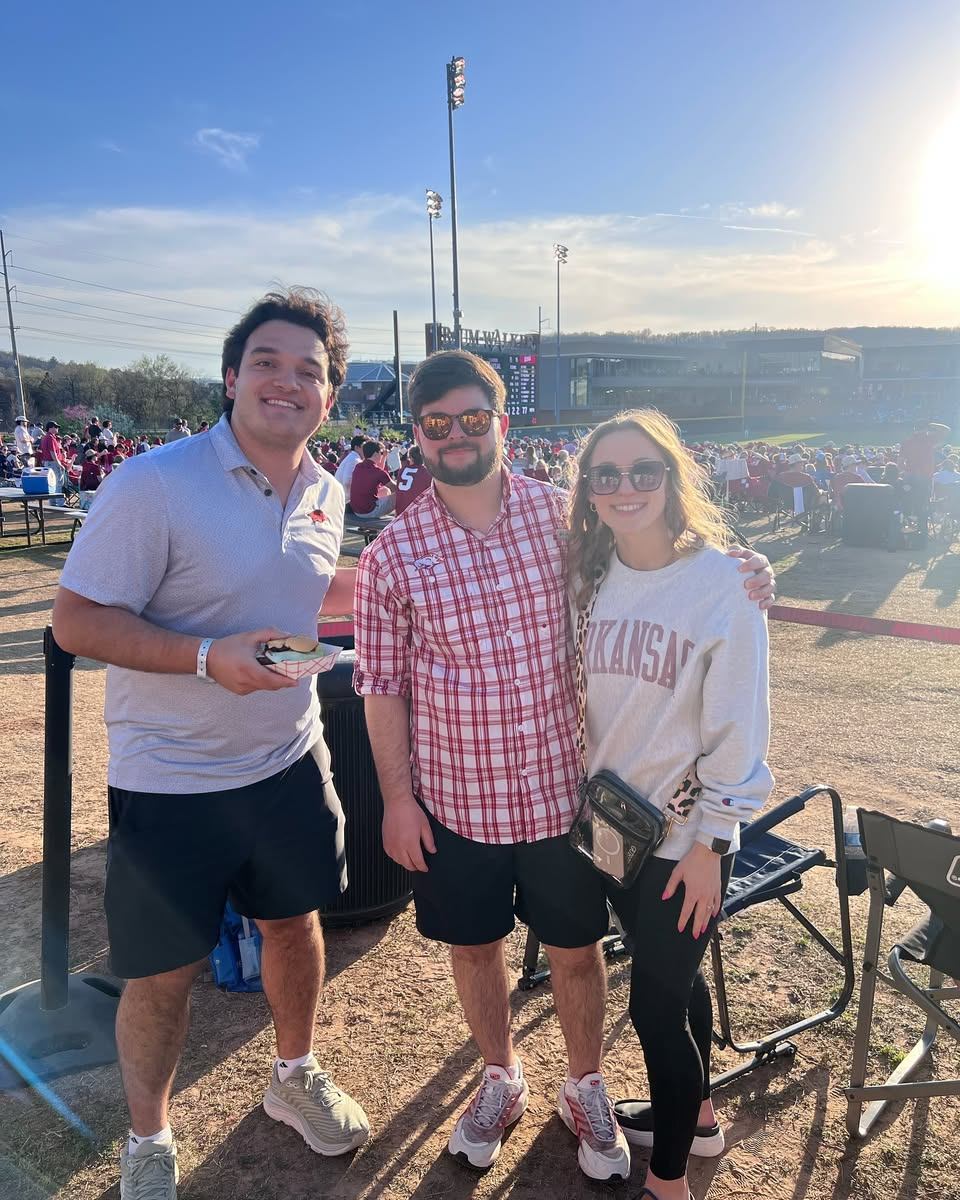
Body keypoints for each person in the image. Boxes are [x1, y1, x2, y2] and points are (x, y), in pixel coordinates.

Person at [352, 350, 775, 1184]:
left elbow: (665, 558)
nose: (458, 436)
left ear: (502, 423)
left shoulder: (564, 520)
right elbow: (382, 686)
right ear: (418, 437)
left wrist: (744, 568)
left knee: (576, 950)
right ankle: (500, 1077)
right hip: (454, 800)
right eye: (438, 425)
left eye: (475, 418)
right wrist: (397, 800)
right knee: (474, 950)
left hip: (563, 800)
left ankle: (585, 1085)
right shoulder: (391, 557)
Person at [52, 288, 369, 1200]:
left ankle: (293, 1075)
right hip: (170, 777)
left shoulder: (325, 489)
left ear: (329, 396)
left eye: (309, 370)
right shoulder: (155, 482)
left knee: (295, 924)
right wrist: (201, 657)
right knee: (162, 972)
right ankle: (147, 1137)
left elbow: (290, 603)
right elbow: (76, 622)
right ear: (231, 377)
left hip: (288, 757)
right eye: (267, 362)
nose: (287, 380)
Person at [564, 410, 774, 1200]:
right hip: (614, 829)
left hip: (687, 839)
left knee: (654, 1011)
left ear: (672, 478)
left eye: (642, 471)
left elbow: (739, 727)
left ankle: (667, 1181)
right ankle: (706, 1118)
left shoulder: (725, 582)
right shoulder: (588, 572)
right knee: (674, 983)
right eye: (606, 474)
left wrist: (714, 843)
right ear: (587, 489)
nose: (625, 488)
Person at [900, 421, 950, 546]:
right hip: (924, 477)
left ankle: (908, 530)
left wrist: (906, 473)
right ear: (925, 429)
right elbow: (947, 430)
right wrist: (933, 425)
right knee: (922, 506)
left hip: (910, 477)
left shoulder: (907, 442)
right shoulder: (929, 439)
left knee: (908, 504)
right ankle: (921, 533)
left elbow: (900, 462)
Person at [349, 441, 396, 518]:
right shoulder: (378, 472)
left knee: (385, 490)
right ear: (375, 453)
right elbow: (396, 489)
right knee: (400, 494)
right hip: (369, 511)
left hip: (357, 510)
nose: (381, 455)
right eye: (381, 453)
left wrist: (384, 457)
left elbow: (375, 473)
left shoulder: (358, 466)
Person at [394, 444, 432, 515]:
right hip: (416, 513)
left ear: (411, 457)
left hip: (400, 512)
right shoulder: (426, 472)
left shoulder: (402, 470)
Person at [38, 420, 68, 505]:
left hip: (47, 462)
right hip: (52, 462)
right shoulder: (50, 437)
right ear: (50, 428)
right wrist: (59, 463)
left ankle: (53, 501)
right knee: (58, 482)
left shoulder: (46, 437)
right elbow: (52, 452)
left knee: (51, 483)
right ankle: (60, 502)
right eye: (56, 427)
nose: (57, 428)